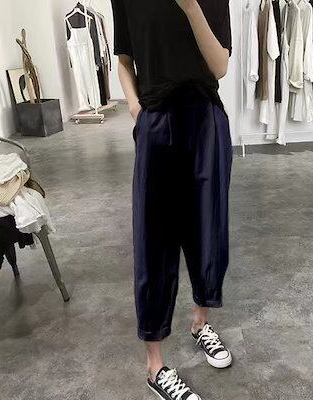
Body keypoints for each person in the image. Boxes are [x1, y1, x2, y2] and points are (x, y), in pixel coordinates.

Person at [111, 0, 233, 398]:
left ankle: (200, 322)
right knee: (154, 239)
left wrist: (192, 8)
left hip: (205, 120)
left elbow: (220, 66)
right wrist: (136, 108)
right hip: (156, 117)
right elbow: (124, 58)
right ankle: (155, 366)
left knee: (207, 230)